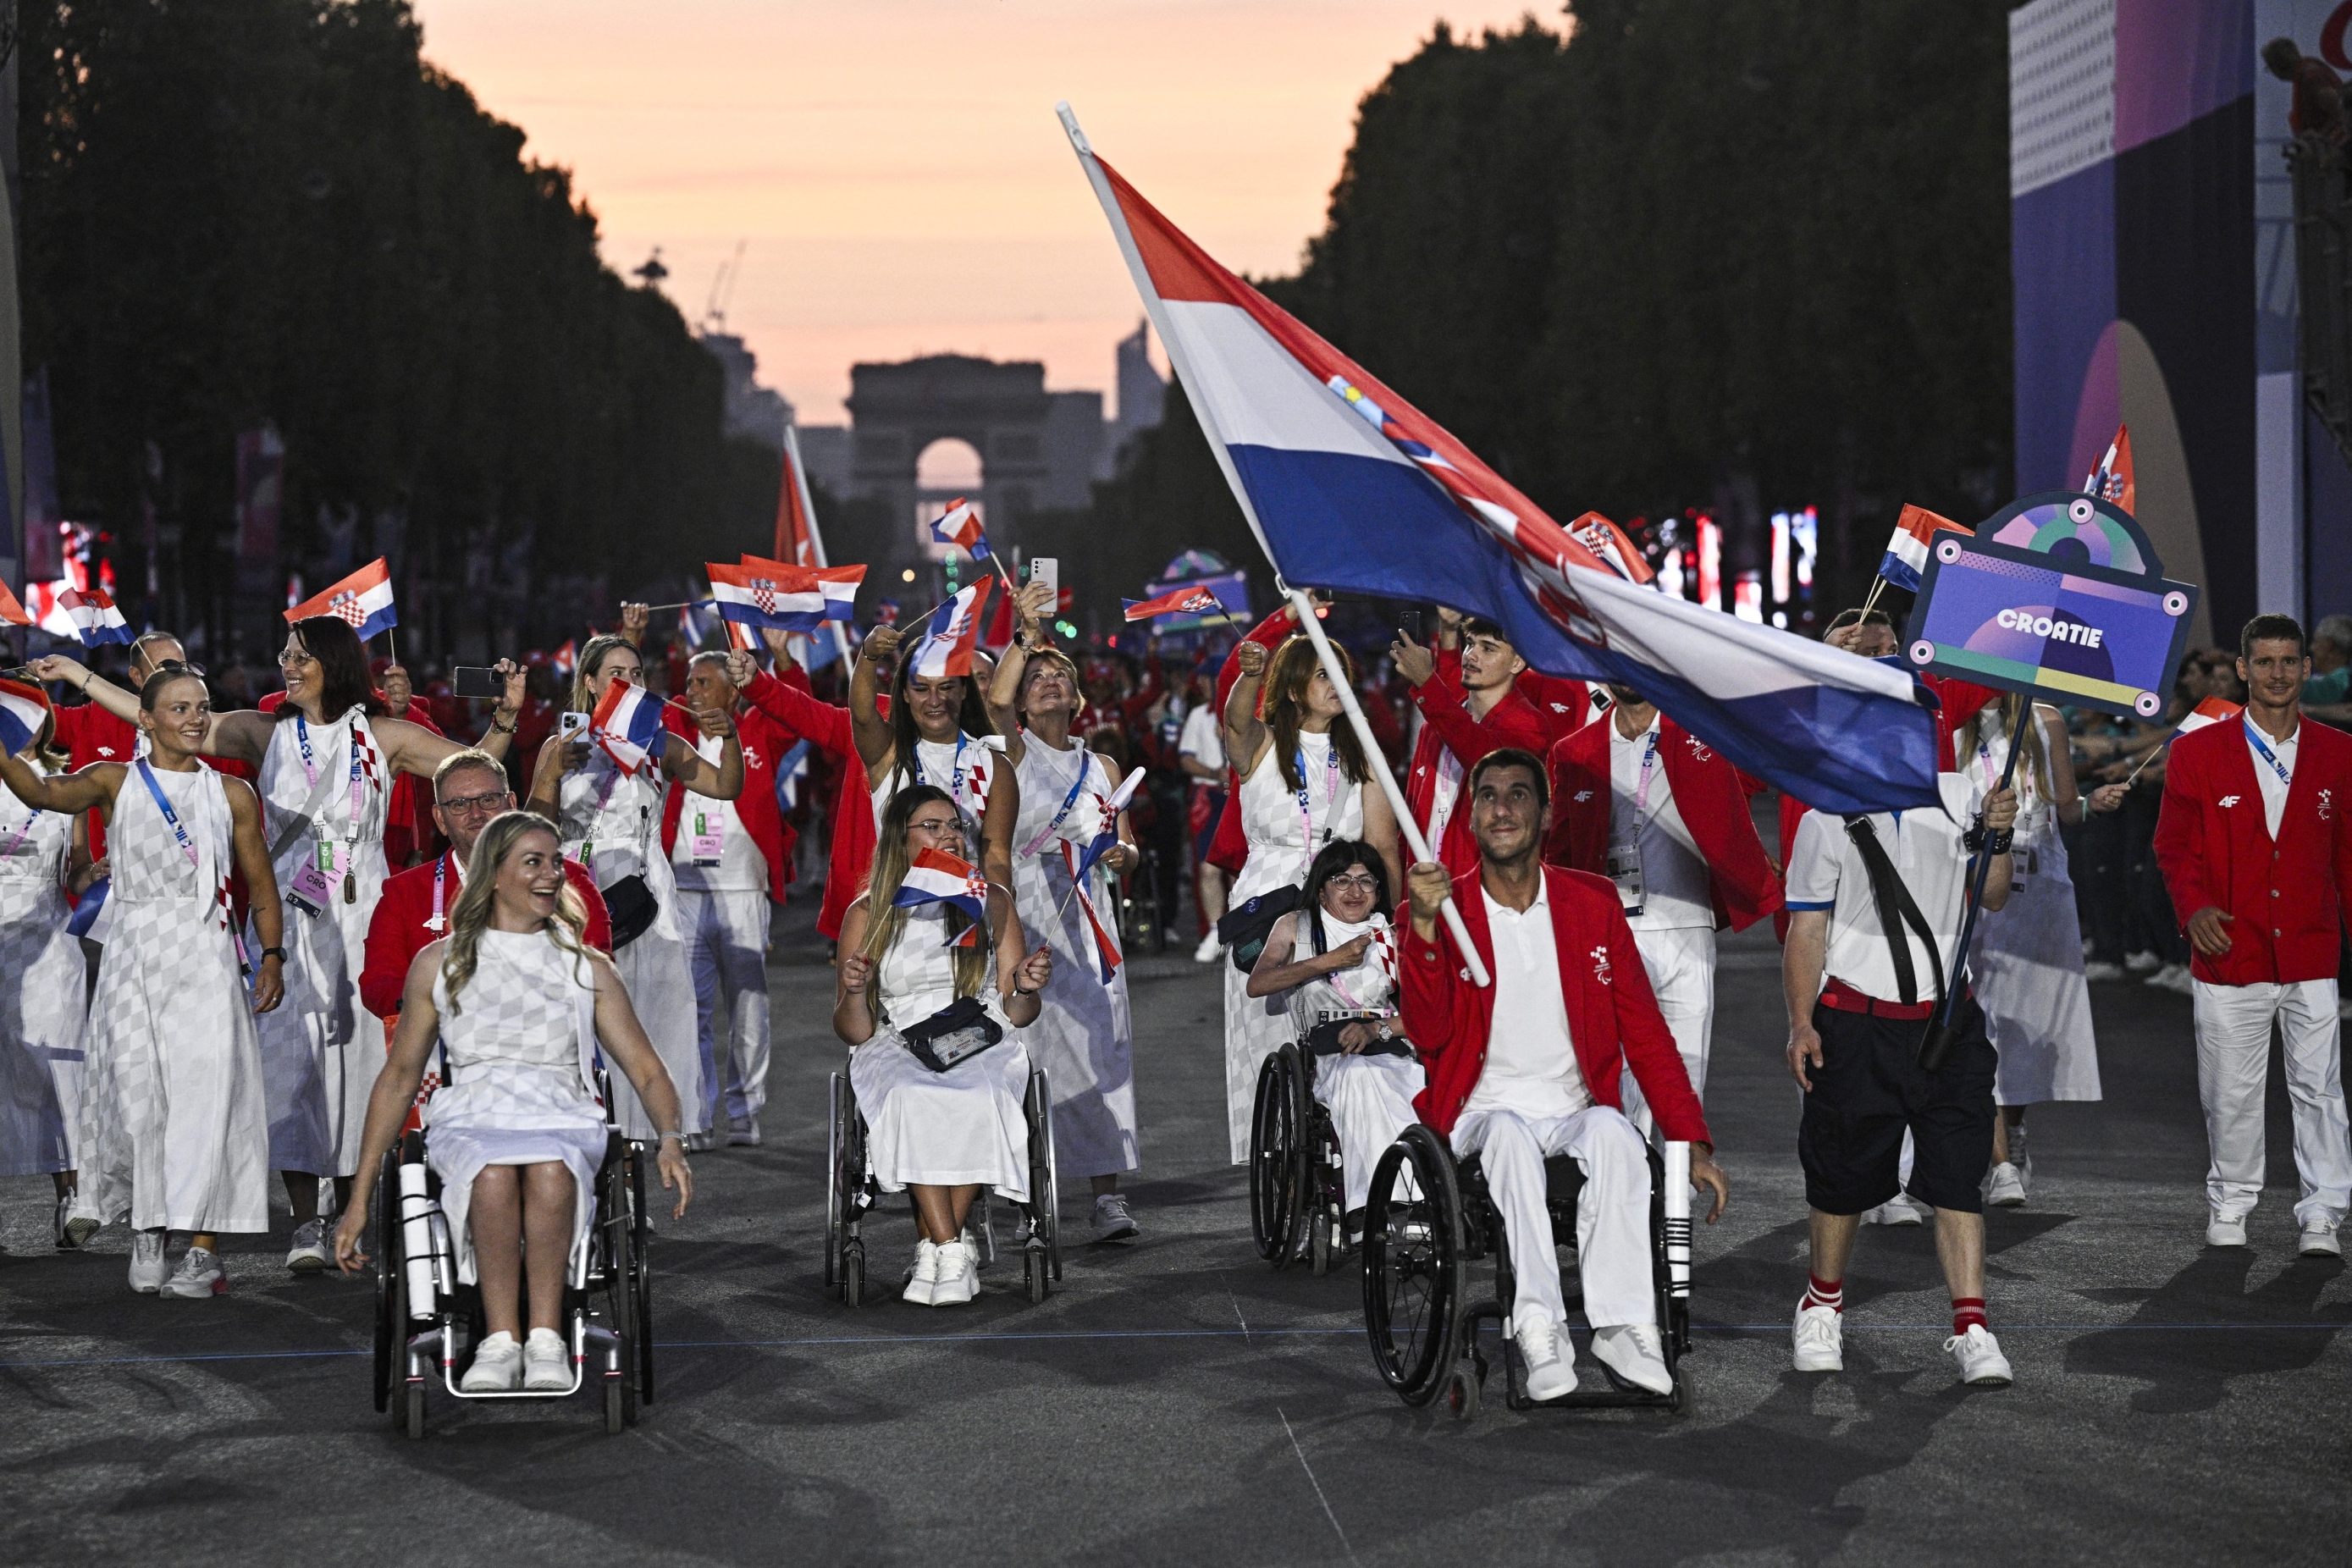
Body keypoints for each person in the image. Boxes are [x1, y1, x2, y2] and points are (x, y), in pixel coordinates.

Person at [34, 620, 522, 1273]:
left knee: (363, 1068)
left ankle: (354, 1210)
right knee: (290, 1066)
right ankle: (306, 1222)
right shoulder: (263, 733)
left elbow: (469, 768)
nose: (284, 666)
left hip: (364, 919)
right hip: (289, 920)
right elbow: (158, 719)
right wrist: (79, 677)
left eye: (298, 657)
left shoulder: (383, 737)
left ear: (331, 664)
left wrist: (508, 719)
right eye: (286, 656)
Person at [1398, 748, 1728, 1399]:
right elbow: (1429, 1033)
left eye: (1518, 795)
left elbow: (1646, 1034)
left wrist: (1691, 1141)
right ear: (1470, 817)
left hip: (1573, 1107)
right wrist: (1425, 928)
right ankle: (1539, 1328)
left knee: (1616, 1137)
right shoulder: (1449, 906)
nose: (1502, 808)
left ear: (1546, 814)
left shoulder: (1592, 903)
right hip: (1482, 1110)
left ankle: (1624, 1326)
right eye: (1487, 795)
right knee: (1512, 1142)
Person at [332, 813, 693, 1391]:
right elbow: (400, 1077)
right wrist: (357, 1200)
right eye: (534, 862)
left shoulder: (586, 965)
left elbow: (646, 1070)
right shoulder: (440, 961)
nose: (552, 874)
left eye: (555, 862)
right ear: (494, 875)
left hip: (560, 1110)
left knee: (551, 1168)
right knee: (492, 1173)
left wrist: (671, 1140)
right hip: (473, 1112)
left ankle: (547, 1337)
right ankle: (501, 1340)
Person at [2, 665, 286, 1296]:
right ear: (147, 719)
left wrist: (272, 955)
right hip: (134, 958)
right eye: (179, 708)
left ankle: (203, 1248)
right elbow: (41, 794)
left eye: (202, 707)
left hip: (209, 958)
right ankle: (149, 1230)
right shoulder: (113, 780)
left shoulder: (233, 795)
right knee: (139, 1101)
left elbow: (261, 885)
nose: (194, 719)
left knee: (208, 1096)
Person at [1782, 735, 2021, 1387]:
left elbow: (1992, 896)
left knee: (1956, 1176)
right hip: (1854, 1025)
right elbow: (1806, 927)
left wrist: (1999, 835)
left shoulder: (1963, 797)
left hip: (1947, 1023)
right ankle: (1822, 1303)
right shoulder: (1823, 814)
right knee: (1841, 1176)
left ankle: (1972, 1325)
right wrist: (1801, 1022)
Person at [2152, 614, 2352, 1256]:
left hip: (2310, 948)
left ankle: (2323, 1211)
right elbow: (2173, 848)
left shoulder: (2339, 752)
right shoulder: (2195, 752)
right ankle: (2232, 1204)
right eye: (2263, 662)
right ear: (2242, 668)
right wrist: (2194, 908)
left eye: (2289, 662)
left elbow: (2348, 856)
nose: (2277, 674)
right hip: (2228, 952)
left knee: (2319, 1087)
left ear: (2306, 668)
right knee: (2230, 1090)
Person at [834, 787, 1054, 1306]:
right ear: (900, 839)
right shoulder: (868, 914)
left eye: (953, 825)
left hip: (978, 1031)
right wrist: (857, 991)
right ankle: (952, 1246)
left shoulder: (992, 901)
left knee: (978, 1096)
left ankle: (940, 1250)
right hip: (896, 1035)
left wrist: (1024, 986)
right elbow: (854, 1029)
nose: (949, 835)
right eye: (931, 826)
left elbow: (1020, 1014)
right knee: (912, 1093)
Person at [527, 632, 737, 1150]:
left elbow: (726, 786)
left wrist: (728, 735)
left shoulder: (659, 740)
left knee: (646, 1019)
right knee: (585, 1022)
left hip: (646, 892)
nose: (628, 683)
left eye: (637, 674)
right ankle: (586, 1145)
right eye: (616, 674)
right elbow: (533, 829)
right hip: (578, 890)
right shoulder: (562, 744)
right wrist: (553, 774)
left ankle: (637, 1155)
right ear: (591, 683)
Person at [1545, 682, 1782, 1129]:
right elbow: (1561, 853)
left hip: (1688, 926)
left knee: (1687, 1082)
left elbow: (1763, 760)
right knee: (1622, 1079)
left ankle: (1675, 1197)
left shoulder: (1704, 731)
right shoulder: (1575, 751)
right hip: (1612, 934)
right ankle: (1631, 1190)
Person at [986, 585, 1146, 1242]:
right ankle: (1029, 1201)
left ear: (1079, 697)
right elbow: (992, 700)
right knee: (1032, 1049)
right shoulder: (1012, 753)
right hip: (1029, 907)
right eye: (1038, 678)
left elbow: (1128, 842)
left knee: (1102, 1046)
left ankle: (1106, 1196)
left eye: (1060, 676)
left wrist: (1123, 859)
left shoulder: (1103, 763)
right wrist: (1026, 636)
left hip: (1091, 917)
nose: (1050, 683)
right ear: (1023, 699)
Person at [1219, 634, 1402, 1163]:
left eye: (1340, 673)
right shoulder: (1262, 743)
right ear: (1296, 688)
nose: (1335, 684)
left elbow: (1382, 843)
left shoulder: (1361, 751)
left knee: (1337, 1024)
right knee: (1270, 1037)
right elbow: (1235, 721)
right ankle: (1278, 1161)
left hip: (1341, 903)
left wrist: (1391, 919)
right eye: (1323, 674)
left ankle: (1344, 1155)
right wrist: (1249, 674)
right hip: (1268, 904)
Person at [1956, 695, 2102, 1206]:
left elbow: (2067, 805)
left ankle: (2012, 1133)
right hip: (1971, 877)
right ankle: (1999, 1165)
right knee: (1982, 1022)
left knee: (2024, 1027)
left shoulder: (2048, 721)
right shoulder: (1951, 719)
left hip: (2037, 889)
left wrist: (2094, 803)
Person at [1245, 839, 1422, 1228]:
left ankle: (1405, 1198)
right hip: (1329, 1047)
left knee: (1414, 1085)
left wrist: (1378, 1028)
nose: (1355, 891)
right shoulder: (1296, 925)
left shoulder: (1393, 933)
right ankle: (1375, 1203)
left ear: (1379, 890)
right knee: (1359, 1079)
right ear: (1322, 886)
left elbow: (1429, 1009)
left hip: (1386, 1038)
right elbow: (1258, 984)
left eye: (1366, 881)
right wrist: (1331, 960)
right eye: (1342, 880)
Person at [361, 750, 611, 1021]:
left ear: (511, 804)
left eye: (488, 799)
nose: (476, 814)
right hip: (444, 1044)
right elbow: (378, 984)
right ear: (440, 819)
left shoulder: (567, 881)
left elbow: (597, 970)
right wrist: (439, 1000)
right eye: (459, 804)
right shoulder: (404, 892)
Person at [665, 650, 798, 1147]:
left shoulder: (760, 729)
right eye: (690, 681)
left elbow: (797, 706)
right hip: (685, 891)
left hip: (744, 889)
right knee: (690, 1009)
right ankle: (697, 1114)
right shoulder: (673, 729)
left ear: (732, 691)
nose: (693, 690)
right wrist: (631, 634)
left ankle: (745, 1111)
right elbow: (626, 704)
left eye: (704, 682)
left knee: (748, 1008)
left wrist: (782, 658)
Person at [0, 694, 91, 1246]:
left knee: (62, 1069)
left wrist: (94, 874)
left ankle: (73, 1199)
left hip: (51, 946)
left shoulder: (69, 785)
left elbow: (75, 873)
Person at [851, 619, 1020, 892]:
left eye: (945, 687)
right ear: (905, 694)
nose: (934, 700)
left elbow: (997, 858)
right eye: (921, 689)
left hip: (965, 918)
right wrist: (868, 654)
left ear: (964, 690)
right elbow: (861, 717)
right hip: (897, 920)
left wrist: (996, 919)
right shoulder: (889, 753)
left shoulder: (994, 766)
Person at [1392, 614, 1551, 879]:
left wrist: (1427, 683)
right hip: (1422, 895)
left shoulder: (1530, 724)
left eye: (1488, 648)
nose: (1471, 655)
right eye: (1469, 643)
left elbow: (1485, 760)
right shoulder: (1432, 729)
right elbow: (1410, 822)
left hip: (1482, 899)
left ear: (1517, 662)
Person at [1177, 667, 1230, 963]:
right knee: (1209, 868)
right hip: (1210, 798)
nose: (1201, 683)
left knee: (1238, 872)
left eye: (1207, 677)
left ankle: (1242, 931)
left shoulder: (1245, 709)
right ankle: (1214, 929)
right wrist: (1214, 772)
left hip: (1238, 798)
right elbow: (1185, 759)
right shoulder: (1199, 715)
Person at [2265, 36, 2349, 146]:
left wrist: (2321, 137)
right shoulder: (2308, 73)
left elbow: (2340, 111)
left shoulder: (2311, 79)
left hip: (2333, 146)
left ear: (2276, 67)